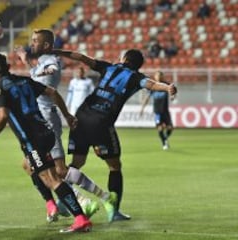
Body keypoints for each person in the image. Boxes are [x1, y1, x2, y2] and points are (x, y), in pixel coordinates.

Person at [51, 48, 177, 221]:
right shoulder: (135, 77)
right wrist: (168, 87)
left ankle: (63, 200)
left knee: (78, 162)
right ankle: (113, 211)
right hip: (101, 122)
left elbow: (81, 57)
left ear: (124, 58)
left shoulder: (108, 67)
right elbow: (152, 84)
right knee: (114, 166)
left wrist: (57, 51)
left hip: (81, 116)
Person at [0, 51, 92, 233]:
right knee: (28, 165)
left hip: (32, 139)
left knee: (51, 179)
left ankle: (80, 219)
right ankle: (51, 204)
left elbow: (3, 115)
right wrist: (66, 114)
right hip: (46, 132)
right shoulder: (24, 80)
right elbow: (52, 92)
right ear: (8, 66)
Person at [14, 29, 100, 223]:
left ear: (45, 45)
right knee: (29, 165)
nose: (32, 43)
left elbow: (51, 71)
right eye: (32, 40)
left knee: (58, 170)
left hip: (47, 119)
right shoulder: (39, 61)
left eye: (36, 41)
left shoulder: (50, 60)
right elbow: (35, 69)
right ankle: (58, 203)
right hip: (39, 119)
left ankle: (85, 200)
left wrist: (33, 74)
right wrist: (24, 57)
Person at [140, 71, 174, 150]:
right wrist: (142, 108)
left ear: (162, 76)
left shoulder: (166, 85)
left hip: (165, 111)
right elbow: (147, 98)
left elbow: (173, 92)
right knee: (160, 128)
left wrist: (172, 96)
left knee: (170, 128)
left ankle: (164, 138)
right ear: (155, 76)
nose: (158, 77)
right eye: (157, 75)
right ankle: (164, 143)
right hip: (157, 111)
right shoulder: (153, 86)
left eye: (160, 75)